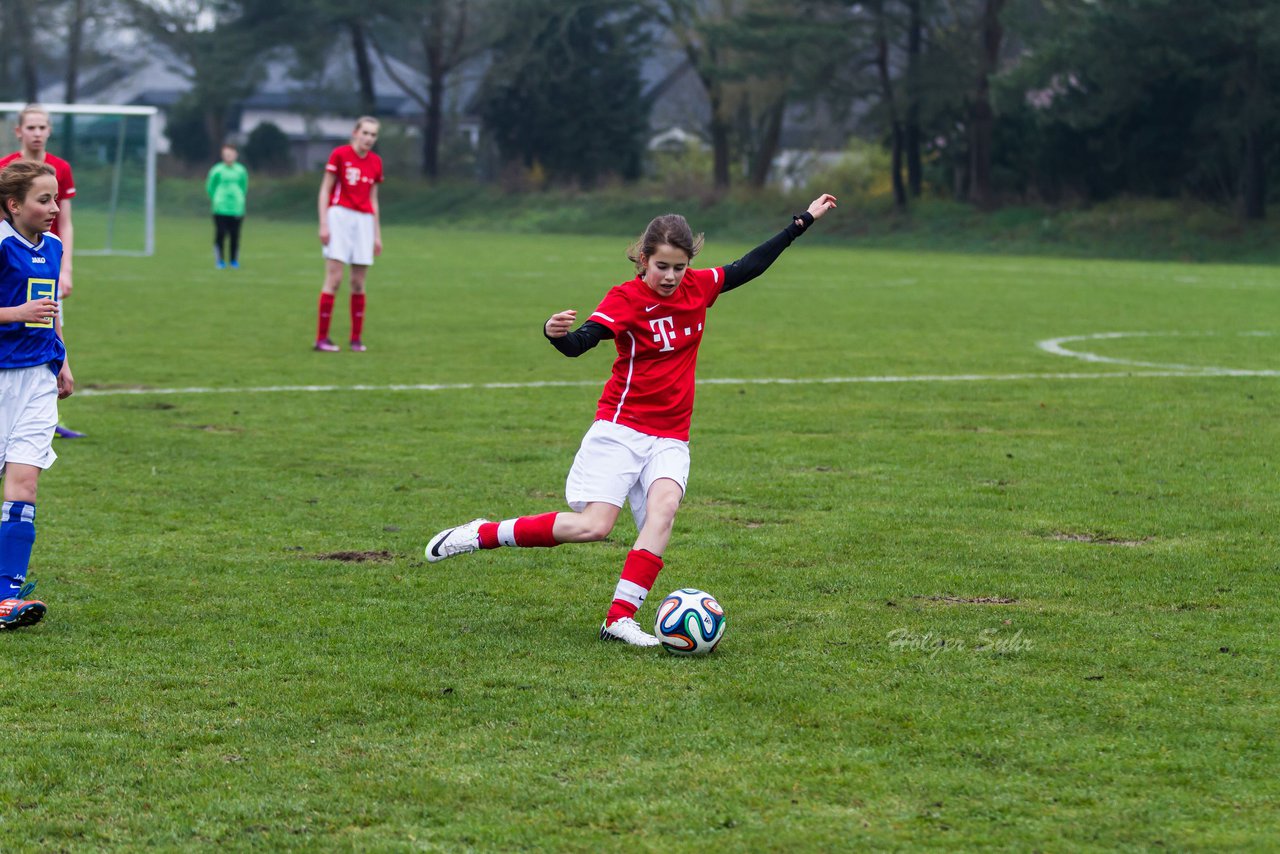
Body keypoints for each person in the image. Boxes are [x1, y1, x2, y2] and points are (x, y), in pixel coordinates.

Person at [425, 193, 838, 647]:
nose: (670, 277)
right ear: (643, 260)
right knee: (593, 527)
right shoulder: (626, 298)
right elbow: (582, 342)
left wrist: (801, 223)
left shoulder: (698, 287)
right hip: (621, 430)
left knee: (664, 510)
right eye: (662, 266)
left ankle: (619, 619)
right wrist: (554, 335)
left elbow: (750, 265)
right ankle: (483, 533)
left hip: (670, 436)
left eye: (679, 267)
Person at [0, 161, 75, 629]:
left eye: (55, 199)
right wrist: (15, 312)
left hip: (38, 378)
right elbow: (27, 308)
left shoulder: (53, 246)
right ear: (13, 205)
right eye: (42, 200)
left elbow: (50, 308)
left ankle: (6, 594)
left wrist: (62, 358)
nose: (53, 208)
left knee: (25, 482)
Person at [0, 105, 82, 439]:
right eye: (30, 126)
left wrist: (67, 269)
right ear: (19, 131)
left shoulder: (60, 168)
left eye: (42, 126)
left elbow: (66, 220)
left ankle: (43, 412)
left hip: (46, 260)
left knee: (45, 324)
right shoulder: (5, 169)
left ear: (49, 130)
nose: (37, 132)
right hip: (16, 264)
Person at [314, 116, 382, 353]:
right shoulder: (340, 155)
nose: (369, 138)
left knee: (358, 282)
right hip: (339, 216)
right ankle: (321, 339)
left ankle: (356, 339)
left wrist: (376, 234)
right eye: (365, 133)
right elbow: (325, 190)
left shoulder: (375, 162)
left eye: (373, 135)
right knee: (334, 279)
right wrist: (324, 223)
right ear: (355, 132)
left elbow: (373, 200)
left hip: (364, 221)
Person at [206, 142, 248, 269]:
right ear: (222, 156)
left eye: (231, 154)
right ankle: (220, 261)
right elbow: (210, 187)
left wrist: (239, 198)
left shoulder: (241, 170)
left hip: (236, 208)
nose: (228, 157)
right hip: (220, 208)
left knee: (235, 235)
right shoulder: (217, 170)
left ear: (235, 155)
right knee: (220, 234)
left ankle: (234, 260)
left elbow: (244, 186)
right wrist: (217, 199)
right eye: (226, 155)